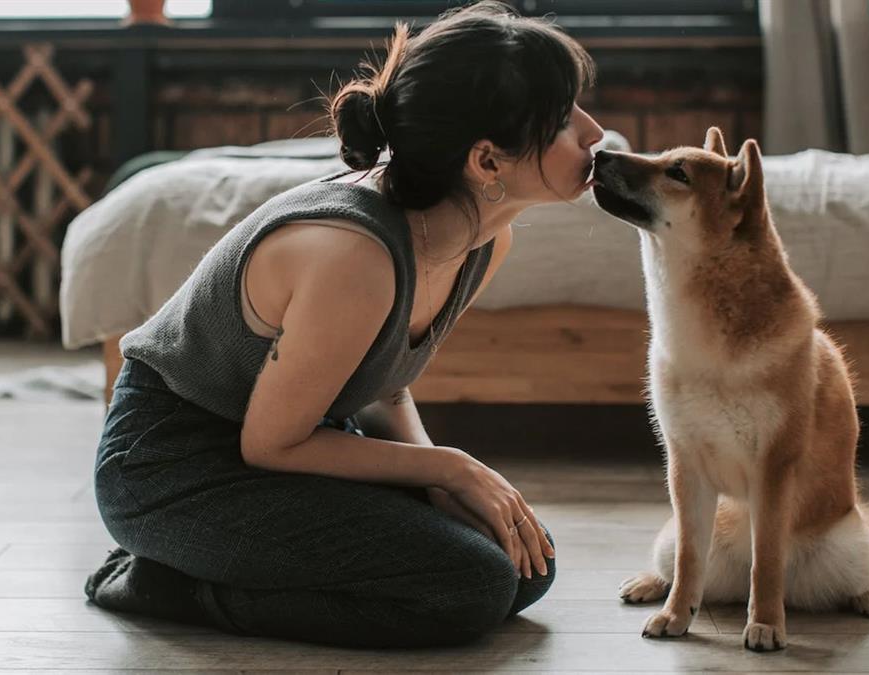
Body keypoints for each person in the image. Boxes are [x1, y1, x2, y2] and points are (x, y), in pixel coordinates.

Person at [84, 0, 605, 648]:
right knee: (470, 586)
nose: (594, 132)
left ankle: (219, 564)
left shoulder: (483, 238)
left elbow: (385, 382)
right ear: (487, 162)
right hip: (172, 467)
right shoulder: (353, 255)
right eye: (564, 118)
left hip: (294, 443)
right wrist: (449, 469)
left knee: (526, 567)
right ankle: (163, 582)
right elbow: (271, 446)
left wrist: (437, 480)